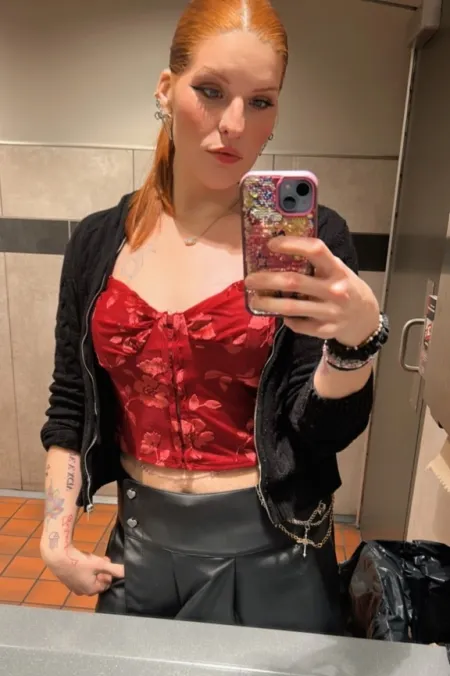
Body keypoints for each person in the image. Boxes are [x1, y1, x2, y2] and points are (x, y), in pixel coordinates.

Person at [40, 0, 388, 634]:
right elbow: (70, 400)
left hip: (276, 550)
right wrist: (56, 539)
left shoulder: (310, 243)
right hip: (141, 549)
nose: (234, 124)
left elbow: (322, 431)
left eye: (261, 102)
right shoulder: (96, 244)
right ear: (165, 89)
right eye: (211, 91)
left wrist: (357, 344)